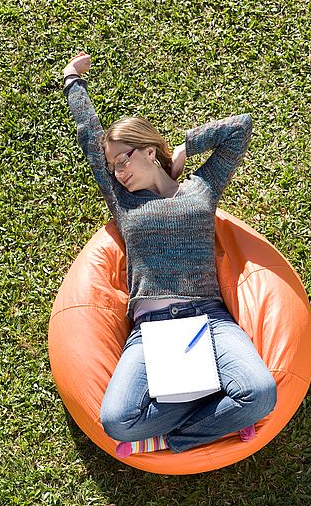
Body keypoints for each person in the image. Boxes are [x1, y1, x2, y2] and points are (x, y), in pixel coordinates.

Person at [62, 51, 277, 458]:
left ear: (147, 150)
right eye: (113, 165)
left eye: (123, 158)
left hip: (208, 321)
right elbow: (90, 140)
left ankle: (171, 439)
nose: (118, 170)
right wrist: (74, 82)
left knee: (261, 394)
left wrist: (182, 149)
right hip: (150, 329)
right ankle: (216, 412)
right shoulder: (123, 201)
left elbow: (240, 128)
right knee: (117, 421)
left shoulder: (201, 188)